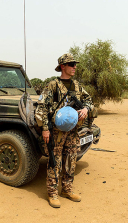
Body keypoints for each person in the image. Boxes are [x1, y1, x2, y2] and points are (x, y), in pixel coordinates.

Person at [36, 53, 94, 208]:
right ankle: (52, 193)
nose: (74, 67)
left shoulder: (77, 85)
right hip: (56, 131)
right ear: (63, 66)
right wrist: (45, 129)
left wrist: (86, 109)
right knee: (55, 161)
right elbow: (42, 108)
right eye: (71, 64)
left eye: (75, 64)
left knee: (71, 159)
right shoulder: (52, 85)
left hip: (73, 130)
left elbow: (89, 101)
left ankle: (67, 190)